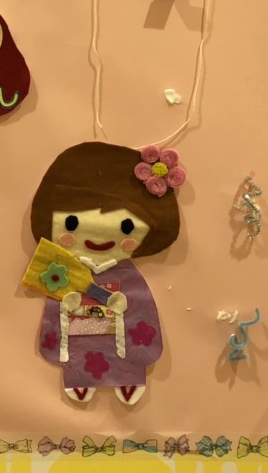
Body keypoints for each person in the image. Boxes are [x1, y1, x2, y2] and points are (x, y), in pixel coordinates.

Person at [25, 141, 183, 405]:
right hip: (79, 339)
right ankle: (78, 377)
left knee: (129, 340)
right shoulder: (63, 272)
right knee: (77, 349)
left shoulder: (126, 275)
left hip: (120, 341)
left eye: (126, 227)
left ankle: (129, 376)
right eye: (72, 223)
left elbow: (140, 309)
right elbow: (57, 309)